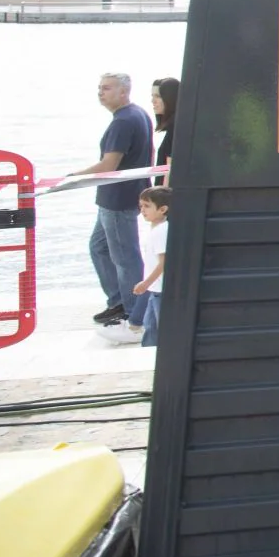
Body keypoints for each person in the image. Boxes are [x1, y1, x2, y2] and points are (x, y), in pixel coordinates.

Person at [81, 72, 155, 335]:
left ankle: (134, 314)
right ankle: (119, 301)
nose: (101, 92)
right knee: (99, 247)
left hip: (118, 198)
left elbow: (109, 165)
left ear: (124, 92)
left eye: (107, 88)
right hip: (119, 196)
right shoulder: (137, 115)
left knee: (125, 257)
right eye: (99, 87)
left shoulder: (124, 121)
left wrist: (72, 178)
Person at [127, 187, 170, 349]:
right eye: (140, 206)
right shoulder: (155, 229)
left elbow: (164, 262)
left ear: (163, 209)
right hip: (155, 290)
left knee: (162, 328)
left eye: (147, 206)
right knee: (150, 326)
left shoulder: (161, 231)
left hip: (160, 289)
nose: (142, 210)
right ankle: (148, 355)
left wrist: (145, 283)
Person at [151, 76, 178, 185]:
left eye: (157, 96)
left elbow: (169, 170)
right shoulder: (174, 126)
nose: (153, 101)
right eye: (152, 96)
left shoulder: (176, 128)